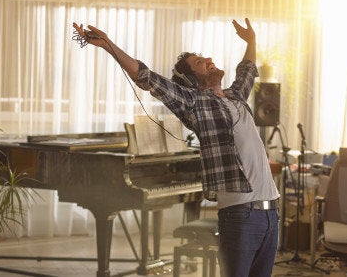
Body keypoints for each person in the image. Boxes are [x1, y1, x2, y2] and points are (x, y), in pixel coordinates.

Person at [72, 18, 280, 277]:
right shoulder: (194, 103)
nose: (208, 59)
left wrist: (252, 41)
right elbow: (146, 77)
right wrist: (107, 45)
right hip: (241, 215)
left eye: (205, 57)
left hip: (271, 213)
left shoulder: (236, 95)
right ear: (190, 80)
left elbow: (247, 68)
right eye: (199, 62)